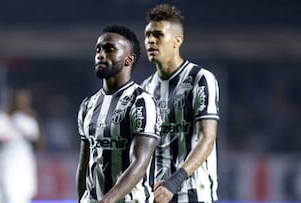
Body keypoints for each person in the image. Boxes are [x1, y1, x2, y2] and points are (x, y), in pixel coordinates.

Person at [142, 4, 220, 203]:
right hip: (159, 195)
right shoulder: (146, 88)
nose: (150, 40)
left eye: (158, 35)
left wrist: (175, 182)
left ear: (177, 40)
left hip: (195, 194)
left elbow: (207, 138)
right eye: (148, 34)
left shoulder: (200, 79)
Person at [76, 25, 161, 203]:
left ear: (129, 59)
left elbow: (140, 161)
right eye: (98, 49)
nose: (100, 54)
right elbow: (84, 165)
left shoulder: (141, 102)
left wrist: (109, 200)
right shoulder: (88, 105)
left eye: (109, 49)